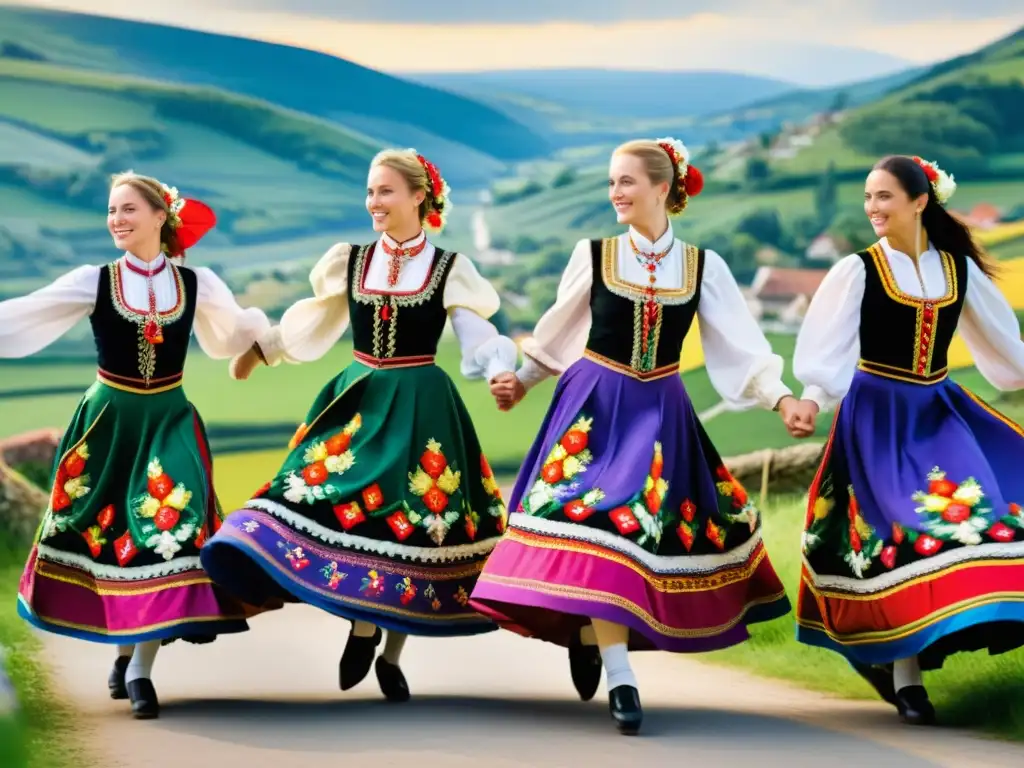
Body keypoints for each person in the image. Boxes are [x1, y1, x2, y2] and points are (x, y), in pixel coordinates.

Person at [471, 138, 796, 735]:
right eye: (611, 182)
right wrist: (520, 382)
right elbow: (559, 330)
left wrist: (781, 398)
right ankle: (620, 674)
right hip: (593, 409)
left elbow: (740, 347)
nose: (616, 193)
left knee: (638, 525)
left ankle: (594, 634)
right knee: (592, 517)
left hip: (660, 415)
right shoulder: (594, 254)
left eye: (626, 182)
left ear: (663, 188)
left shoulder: (703, 266)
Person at [201, 148, 518, 702]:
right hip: (359, 398)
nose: (374, 202)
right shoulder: (351, 260)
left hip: (423, 408)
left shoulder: (449, 268)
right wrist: (263, 350)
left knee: (417, 526)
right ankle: (359, 620)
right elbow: (316, 318)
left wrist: (498, 367)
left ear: (419, 196)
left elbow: (474, 331)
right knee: (306, 488)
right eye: (370, 191)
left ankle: (387, 649)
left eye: (386, 191)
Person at [4, 172, 273, 719]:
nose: (117, 221)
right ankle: (127, 649)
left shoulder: (196, 282)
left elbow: (235, 332)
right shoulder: (93, 279)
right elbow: (23, 314)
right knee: (113, 537)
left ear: (160, 217)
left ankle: (140, 669)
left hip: (170, 419)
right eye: (110, 211)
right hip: (107, 422)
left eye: (128, 209)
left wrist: (261, 346)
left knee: (170, 532)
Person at [786, 154, 1024, 726]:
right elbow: (829, 349)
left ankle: (943, 643)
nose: (872, 208)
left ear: (920, 202)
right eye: (868, 197)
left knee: (988, 520)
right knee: (905, 531)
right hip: (877, 420)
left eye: (884, 196)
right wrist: (812, 399)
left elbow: (1005, 350)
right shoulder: (858, 270)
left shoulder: (956, 270)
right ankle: (907, 676)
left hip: (938, 413)